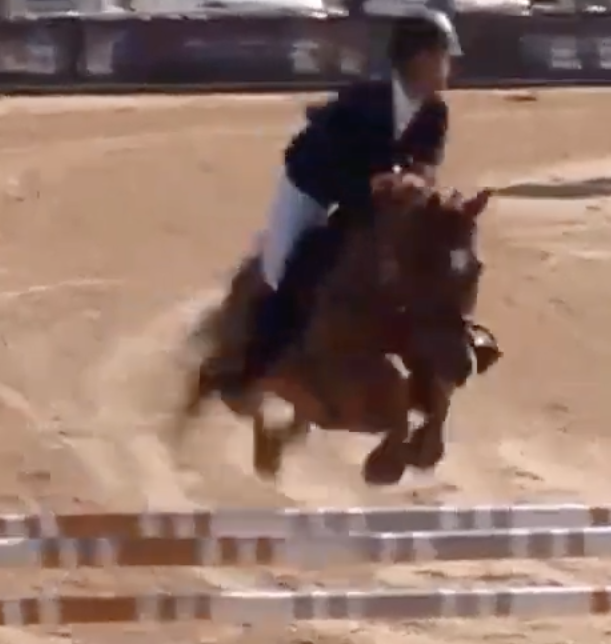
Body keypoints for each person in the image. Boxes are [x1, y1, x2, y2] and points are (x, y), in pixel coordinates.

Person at [213, 9, 501, 403]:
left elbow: (424, 168)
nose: (451, 66)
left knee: (438, 255)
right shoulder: (366, 101)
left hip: (373, 198)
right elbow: (338, 165)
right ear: (421, 59)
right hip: (313, 185)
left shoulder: (435, 111)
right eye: (444, 57)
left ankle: (454, 335)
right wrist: (374, 184)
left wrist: (426, 194)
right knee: (287, 270)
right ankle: (253, 364)